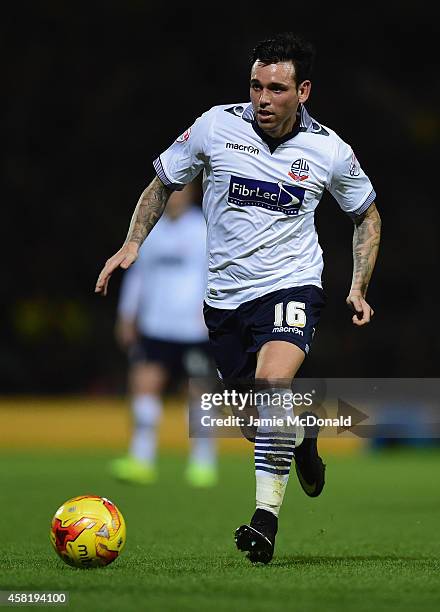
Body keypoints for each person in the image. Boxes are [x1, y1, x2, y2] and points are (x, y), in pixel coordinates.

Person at [96, 32, 381, 563]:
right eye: (256, 86)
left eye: (277, 88)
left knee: (274, 383)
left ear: (304, 91)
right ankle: (304, 434)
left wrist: (358, 284)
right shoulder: (214, 125)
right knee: (257, 426)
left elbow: (365, 212)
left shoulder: (328, 150)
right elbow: (163, 182)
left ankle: (264, 522)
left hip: (292, 287)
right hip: (225, 302)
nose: (263, 99)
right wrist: (133, 242)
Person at [110, 183, 218, 488]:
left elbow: (218, 272)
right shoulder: (150, 231)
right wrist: (127, 315)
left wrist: (215, 313)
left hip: (194, 328)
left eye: (181, 190)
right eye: (171, 191)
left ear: (193, 194)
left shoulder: (204, 228)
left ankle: (203, 463)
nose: (175, 197)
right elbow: (137, 275)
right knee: (144, 388)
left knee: (198, 394)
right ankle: (141, 460)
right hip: (155, 325)